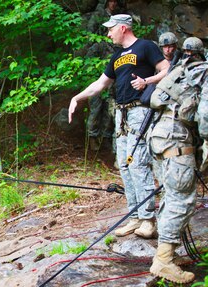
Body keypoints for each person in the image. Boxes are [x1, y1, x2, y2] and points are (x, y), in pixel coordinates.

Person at [68, 14, 169, 238]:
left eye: (111, 29)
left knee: (138, 163)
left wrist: (147, 81)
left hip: (140, 112)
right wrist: (78, 97)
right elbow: (101, 84)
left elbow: (167, 69)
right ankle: (135, 216)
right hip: (121, 114)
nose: (108, 33)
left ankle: (148, 220)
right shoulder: (116, 56)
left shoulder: (145, 47)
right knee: (124, 165)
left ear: (123, 28)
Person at [146, 37, 207, 284]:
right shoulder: (204, 73)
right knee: (182, 199)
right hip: (177, 141)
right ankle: (163, 260)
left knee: (171, 195)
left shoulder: (179, 71)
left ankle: (166, 252)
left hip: (158, 137)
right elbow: (205, 115)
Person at [85, 0, 121, 151]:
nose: (114, 4)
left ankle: (106, 137)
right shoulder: (98, 18)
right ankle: (92, 136)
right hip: (97, 74)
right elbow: (89, 35)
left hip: (112, 78)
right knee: (96, 107)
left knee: (109, 108)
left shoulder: (117, 44)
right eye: (111, 1)